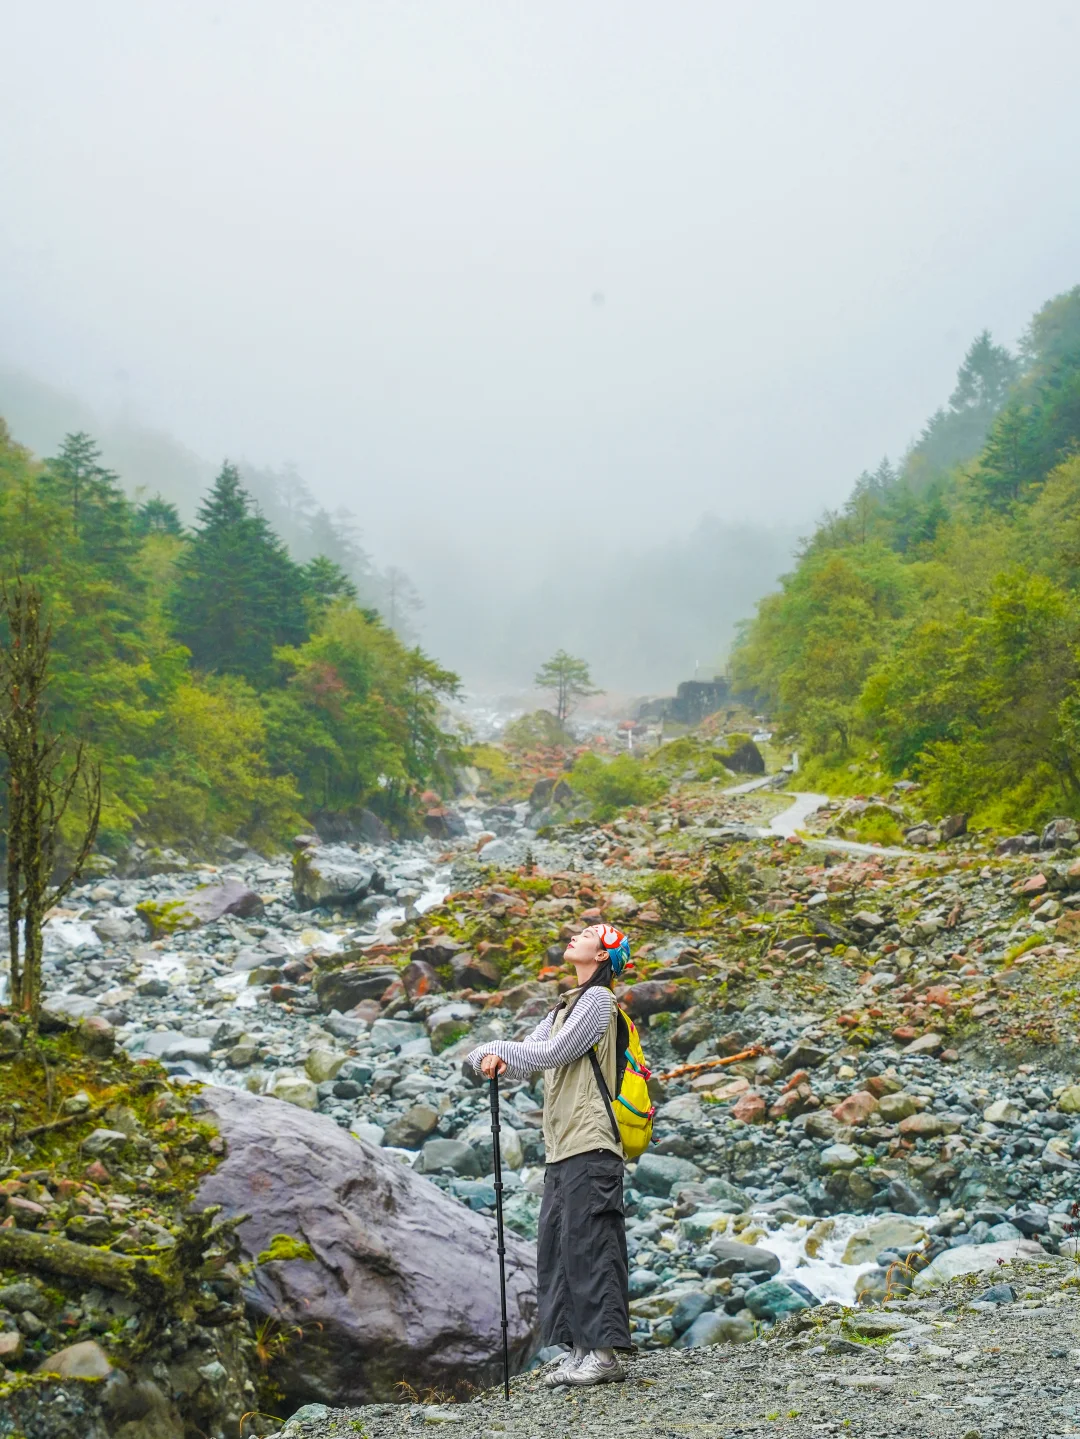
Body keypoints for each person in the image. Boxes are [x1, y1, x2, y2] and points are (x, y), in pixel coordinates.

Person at [466, 922, 633, 1388]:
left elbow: (553, 1053)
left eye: (589, 933)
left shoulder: (599, 1002)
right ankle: (579, 1350)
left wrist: (488, 1048)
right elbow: (527, 1056)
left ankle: (604, 1355)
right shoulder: (565, 1006)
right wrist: (491, 1058)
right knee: (560, 1248)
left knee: (592, 1247)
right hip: (563, 1145)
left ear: (603, 956)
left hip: (592, 1142)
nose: (576, 935)